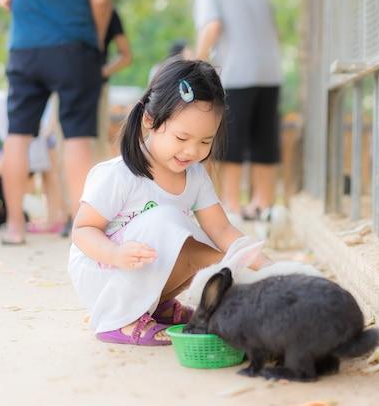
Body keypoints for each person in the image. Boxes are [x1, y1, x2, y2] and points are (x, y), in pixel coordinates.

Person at [69, 58, 272, 346]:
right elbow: (82, 230)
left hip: (138, 271)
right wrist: (114, 252)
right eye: (181, 137)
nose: (192, 151)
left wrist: (268, 271)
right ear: (150, 120)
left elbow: (223, 231)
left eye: (205, 142)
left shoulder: (196, 176)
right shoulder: (120, 175)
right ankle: (121, 320)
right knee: (167, 221)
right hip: (103, 274)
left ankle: (158, 304)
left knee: (209, 244)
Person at [0, 0, 112, 245]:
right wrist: (97, 41)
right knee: (76, 137)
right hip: (74, 42)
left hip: (25, 46)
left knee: (17, 135)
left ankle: (15, 228)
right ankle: (82, 229)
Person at [193, 0, 283, 220]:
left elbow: (212, 26)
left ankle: (230, 205)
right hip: (271, 73)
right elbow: (276, 36)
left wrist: (196, 64)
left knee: (230, 141)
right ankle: (263, 206)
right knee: (265, 140)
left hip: (236, 73)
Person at [0, 65, 68, 232]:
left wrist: (4, 158)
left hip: (25, 153)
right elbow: (0, 137)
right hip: (12, 155)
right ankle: (9, 217)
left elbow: (15, 134)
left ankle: (9, 219)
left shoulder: (0, 102)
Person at [95, 8, 133, 163]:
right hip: (65, 85)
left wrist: (101, 72)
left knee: (98, 142)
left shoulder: (108, 12)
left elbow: (126, 55)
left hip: (96, 89)